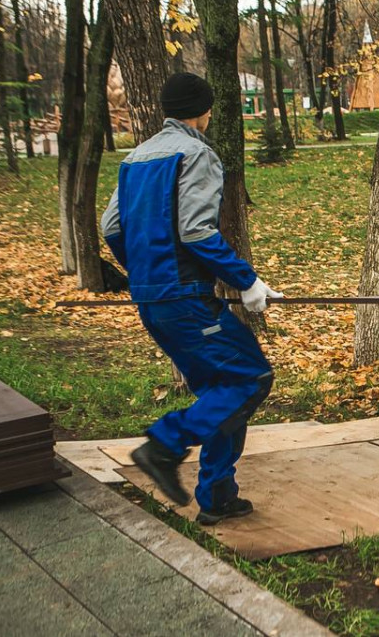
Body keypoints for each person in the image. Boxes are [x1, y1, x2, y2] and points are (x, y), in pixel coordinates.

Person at [101, 72, 282, 525]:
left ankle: (218, 495)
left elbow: (111, 228)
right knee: (250, 379)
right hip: (186, 298)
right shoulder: (197, 153)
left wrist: (145, 273)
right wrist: (247, 282)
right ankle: (164, 445)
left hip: (154, 300)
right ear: (204, 111)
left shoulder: (136, 158)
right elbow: (197, 230)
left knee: (222, 392)